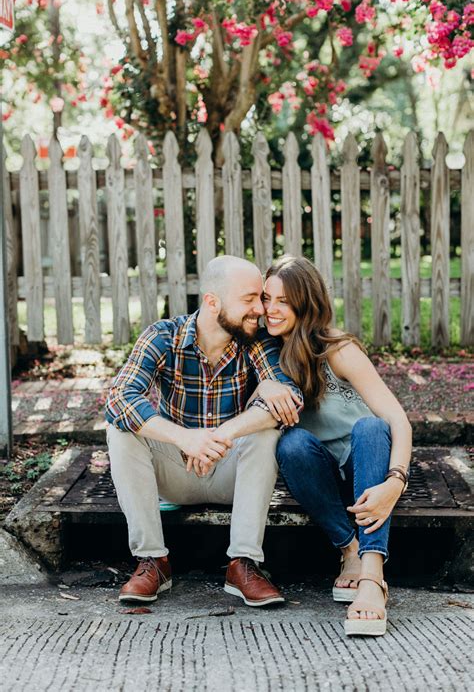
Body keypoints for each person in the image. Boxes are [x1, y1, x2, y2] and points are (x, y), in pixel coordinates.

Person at [105, 255, 303, 608]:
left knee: (265, 431)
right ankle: (153, 560)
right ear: (212, 302)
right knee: (120, 429)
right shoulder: (164, 337)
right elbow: (120, 397)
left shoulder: (255, 340)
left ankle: (244, 564)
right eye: (249, 299)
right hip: (175, 471)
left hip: (232, 471)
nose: (260, 309)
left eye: (260, 298)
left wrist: (219, 435)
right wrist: (186, 438)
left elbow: (291, 401)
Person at [254, 255, 412, 636]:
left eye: (284, 301)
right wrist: (264, 385)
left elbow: (397, 420)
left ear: (306, 303)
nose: (271, 310)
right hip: (317, 477)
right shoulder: (262, 354)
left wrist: (396, 481)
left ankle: (373, 575)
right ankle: (349, 549)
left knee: (372, 428)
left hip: (370, 470)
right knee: (290, 444)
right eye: (266, 299)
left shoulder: (336, 349)